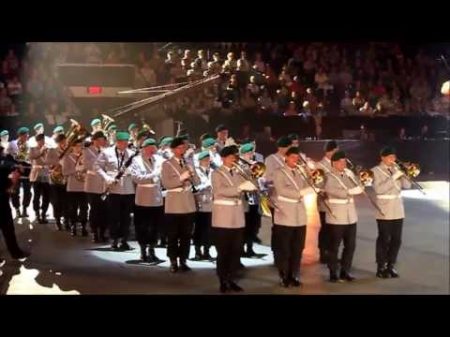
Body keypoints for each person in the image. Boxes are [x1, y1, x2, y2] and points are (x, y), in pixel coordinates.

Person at [211, 145, 257, 293]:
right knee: (223, 251)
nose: (234, 159)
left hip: (237, 216)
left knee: (236, 251)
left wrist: (251, 178)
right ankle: (222, 280)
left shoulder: (239, 172)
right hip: (223, 217)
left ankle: (231, 279)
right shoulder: (216, 173)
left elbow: (252, 185)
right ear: (224, 158)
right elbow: (220, 190)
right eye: (231, 157)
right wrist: (239, 188)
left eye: (235, 157)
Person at [272, 146, 315, 287]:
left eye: (297, 158)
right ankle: (283, 275)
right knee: (284, 248)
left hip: (299, 215)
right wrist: (302, 192)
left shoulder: (300, 172)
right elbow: (282, 190)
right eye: (293, 157)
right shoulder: (279, 172)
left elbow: (312, 184)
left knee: (298, 248)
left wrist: (310, 174)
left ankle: (293, 275)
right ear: (286, 158)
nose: (295, 160)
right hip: (285, 215)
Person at [160, 137, 200, 273]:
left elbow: (197, 182)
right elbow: (166, 184)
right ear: (173, 149)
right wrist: (182, 178)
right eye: (179, 148)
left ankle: (183, 260)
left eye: (184, 148)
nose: (182, 150)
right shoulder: (167, 164)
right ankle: (172, 261)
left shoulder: (188, 162)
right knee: (172, 235)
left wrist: (193, 173)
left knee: (186, 235)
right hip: (174, 204)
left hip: (188, 204)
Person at [324, 150, 364, 282]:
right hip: (336, 216)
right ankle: (333, 272)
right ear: (333, 163)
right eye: (340, 162)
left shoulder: (349, 173)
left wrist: (360, 183)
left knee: (350, 246)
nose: (343, 164)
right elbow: (334, 191)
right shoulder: (328, 176)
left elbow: (358, 185)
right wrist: (351, 191)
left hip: (350, 215)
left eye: (344, 161)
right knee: (334, 246)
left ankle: (345, 271)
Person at [371, 146, 411, 278]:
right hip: (384, 210)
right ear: (383, 158)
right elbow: (379, 189)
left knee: (396, 240)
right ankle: (380, 266)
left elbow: (407, 186)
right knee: (384, 239)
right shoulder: (375, 171)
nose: (393, 160)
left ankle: (391, 265)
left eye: (394, 157)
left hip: (398, 210)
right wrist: (393, 177)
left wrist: (405, 173)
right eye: (390, 157)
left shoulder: (396, 169)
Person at [95, 131, 136, 250]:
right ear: (117, 142)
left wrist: (131, 172)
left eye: (126, 142)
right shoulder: (106, 153)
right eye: (122, 142)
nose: (124, 145)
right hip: (113, 188)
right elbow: (97, 166)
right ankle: (114, 239)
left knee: (126, 216)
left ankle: (124, 239)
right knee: (114, 215)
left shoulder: (132, 154)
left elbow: (136, 168)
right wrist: (107, 178)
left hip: (128, 188)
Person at [130, 138, 164, 263]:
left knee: (155, 226)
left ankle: (152, 249)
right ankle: (143, 249)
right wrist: (153, 176)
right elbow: (137, 178)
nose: (151, 151)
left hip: (156, 198)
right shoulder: (136, 161)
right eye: (149, 148)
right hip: (143, 198)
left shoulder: (160, 160)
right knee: (142, 226)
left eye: (153, 148)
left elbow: (164, 174)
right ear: (143, 149)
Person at [0, 147, 30, 261]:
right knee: (7, 228)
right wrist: (14, 177)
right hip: (1, 200)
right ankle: (15, 253)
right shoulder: (3, 162)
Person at [315, 140, 339, 263]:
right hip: (324, 202)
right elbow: (317, 183)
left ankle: (331, 252)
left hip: (336, 203)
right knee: (325, 228)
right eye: (336, 150)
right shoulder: (320, 166)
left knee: (334, 229)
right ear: (332, 150)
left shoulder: (337, 164)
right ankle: (323, 252)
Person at [83, 131, 108, 242]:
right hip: (92, 184)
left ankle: (102, 232)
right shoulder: (87, 151)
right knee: (94, 209)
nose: (104, 142)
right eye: (102, 140)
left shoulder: (105, 151)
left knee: (104, 210)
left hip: (104, 185)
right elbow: (87, 165)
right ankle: (94, 232)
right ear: (96, 140)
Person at [61, 138, 88, 237]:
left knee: (84, 208)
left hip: (84, 186)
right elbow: (64, 172)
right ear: (72, 147)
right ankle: (73, 226)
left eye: (81, 146)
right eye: (77, 146)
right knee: (73, 208)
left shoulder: (85, 157)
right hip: (72, 187)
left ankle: (84, 226)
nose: (80, 148)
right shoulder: (67, 158)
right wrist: (76, 169)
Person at [192, 151, 214, 261]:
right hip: (200, 204)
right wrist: (207, 184)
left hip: (210, 204)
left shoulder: (213, 171)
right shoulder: (196, 172)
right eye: (205, 160)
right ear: (200, 161)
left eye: (208, 160)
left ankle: (207, 251)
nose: (207, 162)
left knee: (209, 230)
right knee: (199, 229)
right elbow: (195, 188)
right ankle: (197, 251)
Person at [7, 126, 32, 218]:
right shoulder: (12, 144)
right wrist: (17, 164)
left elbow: (30, 158)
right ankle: (17, 209)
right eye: (25, 136)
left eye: (27, 135)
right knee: (15, 191)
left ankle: (25, 208)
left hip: (26, 171)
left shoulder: (28, 145)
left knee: (28, 191)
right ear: (20, 135)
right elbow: (7, 158)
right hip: (16, 171)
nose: (27, 137)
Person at [28, 133, 51, 224]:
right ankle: (37, 213)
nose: (43, 142)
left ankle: (43, 213)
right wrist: (41, 152)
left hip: (46, 175)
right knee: (37, 196)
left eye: (43, 140)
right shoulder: (33, 149)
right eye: (41, 140)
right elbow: (31, 157)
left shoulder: (47, 149)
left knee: (47, 196)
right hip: (37, 175)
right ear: (37, 141)